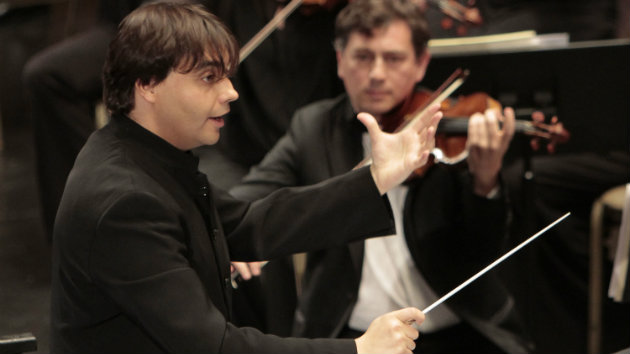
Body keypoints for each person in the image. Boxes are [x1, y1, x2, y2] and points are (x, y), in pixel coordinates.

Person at [49, 2, 446, 353]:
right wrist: (359, 350)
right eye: (209, 78)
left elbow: (250, 225)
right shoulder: (126, 201)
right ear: (148, 84)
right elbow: (215, 346)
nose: (231, 92)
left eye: (227, 75)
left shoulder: (143, 154)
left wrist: (376, 178)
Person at [230, 0, 534, 353]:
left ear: (421, 63)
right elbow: (249, 196)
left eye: (393, 58)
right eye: (362, 57)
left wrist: (485, 180)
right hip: (351, 337)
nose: (376, 73)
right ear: (340, 61)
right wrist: (238, 235)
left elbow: (485, 250)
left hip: (457, 332)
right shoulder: (314, 128)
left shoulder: (446, 129)